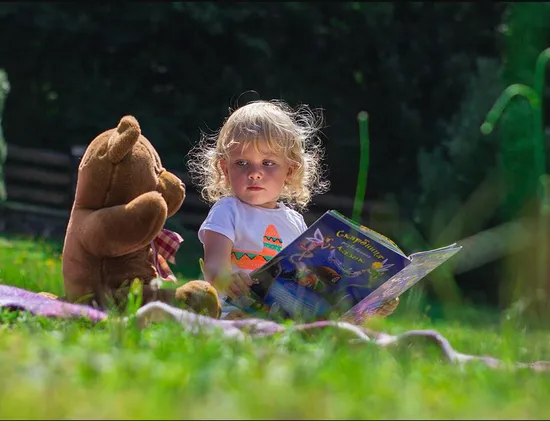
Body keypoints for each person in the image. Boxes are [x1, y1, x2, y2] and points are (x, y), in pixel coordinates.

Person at [187, 99, 398, 320]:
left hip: (288, 316)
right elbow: (213, 266)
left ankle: (366, 314)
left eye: (268, 163)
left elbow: (310, 279)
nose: (254, 173)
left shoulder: (295, 221)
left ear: (290, 170)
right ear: (225, 168)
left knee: (342, 330)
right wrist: (227, 278)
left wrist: (366, 301)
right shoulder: (228, 210)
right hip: (237, 311)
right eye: (241, 163)